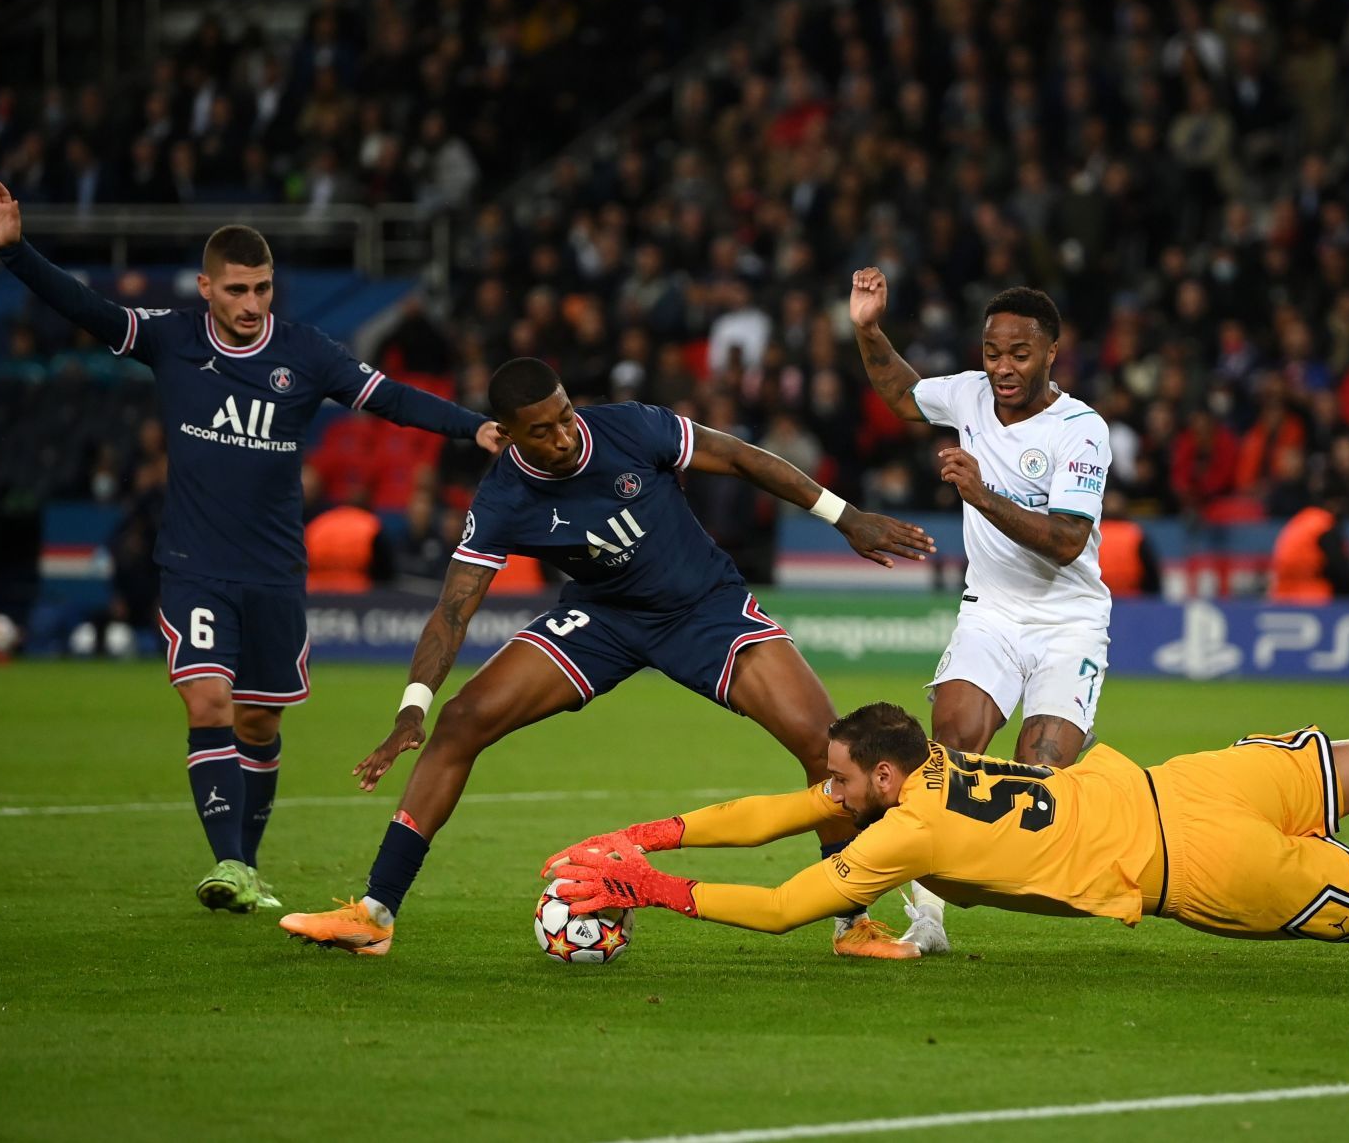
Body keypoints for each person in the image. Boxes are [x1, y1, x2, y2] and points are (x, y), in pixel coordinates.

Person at [278, 358, 936, 958]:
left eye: (565, 415)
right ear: (508, 435)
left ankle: (851, 923)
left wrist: (844, 515)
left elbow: (738, 457)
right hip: (603, 620)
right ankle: (375, 912)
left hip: (704, 607)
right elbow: (453, 609)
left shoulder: (627, 427)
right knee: (460, 720)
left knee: (825, 746)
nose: (564, 436)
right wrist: (410, 709)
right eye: (541, 431)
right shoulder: (504, 498)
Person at [0, 175, 502, 914]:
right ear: (206, 289)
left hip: (275, 574)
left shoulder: (306, 353)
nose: (253, 304)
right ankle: (225, 857)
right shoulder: (172, 338)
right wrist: (16, 252)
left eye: (263, 288)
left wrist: (471, 425)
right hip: (195, 567)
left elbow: (391, 399)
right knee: (209, 700)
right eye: (238, 290)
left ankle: (243, 867)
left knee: (259, 721)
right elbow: (85, 309)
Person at [548, 661, 1349, 954]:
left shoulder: (904, 827)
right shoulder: (930, 774)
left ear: (887, 781)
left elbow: (780, 905)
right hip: (1192, 783)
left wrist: (650, 882)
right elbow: (777, 808)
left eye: (840, 784)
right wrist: (655, 827)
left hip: (1198, 874)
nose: (827, 797)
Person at [847, 268, 1112, 769]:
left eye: (1020, 355)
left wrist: (982, 494)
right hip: (991, 613)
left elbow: (1068, 541)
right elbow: (903, 395)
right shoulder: (969, 393)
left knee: (1039, 781)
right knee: (947, 758)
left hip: (1068, 621)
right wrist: (868, 330)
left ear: (1051, 353)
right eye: (992, 354)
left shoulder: (1081, 429)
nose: (1003, 368)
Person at [1268, 489, 1349, 601]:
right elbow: (1340, 569)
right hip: (1314, 596)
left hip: (1281, 595)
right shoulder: (1324, 525)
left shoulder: (1300, 521)